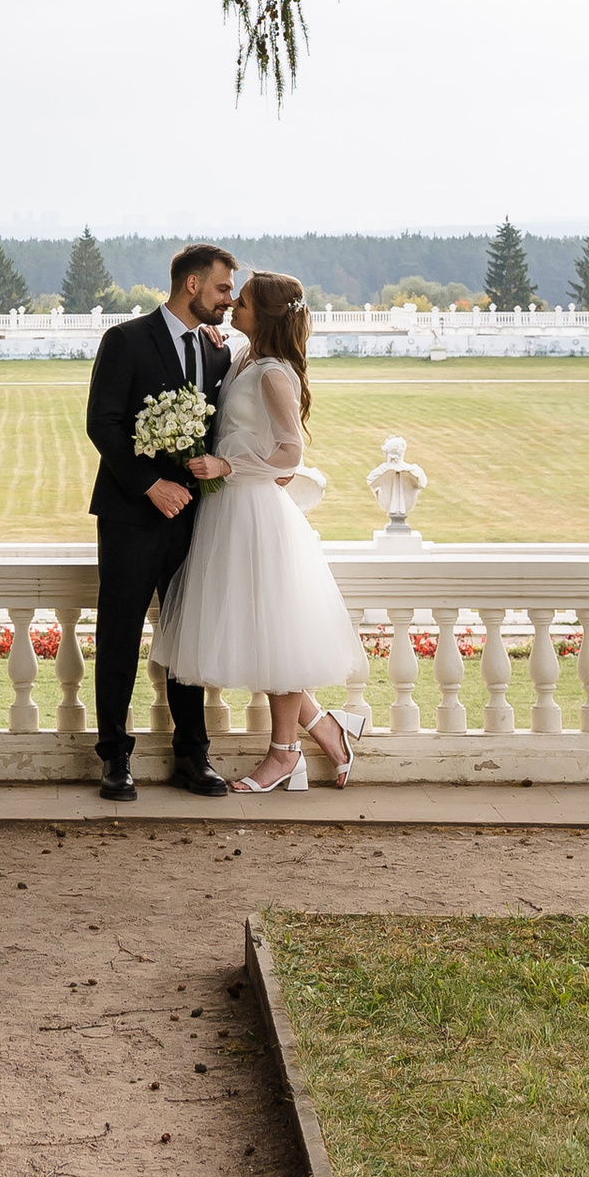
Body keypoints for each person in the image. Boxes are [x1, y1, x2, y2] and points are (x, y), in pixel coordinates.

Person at [150, 270, 359, 791]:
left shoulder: (273, 373)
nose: (231, 306)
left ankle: (283, 753)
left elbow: (291, 454)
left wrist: (227, 467)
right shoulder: (243, 358)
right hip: (226, 514)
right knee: (257, 634)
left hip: (254, 513)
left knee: (273, 632)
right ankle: (325, 728)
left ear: (262, 314)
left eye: (239, 302)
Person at [83, 244, 238, 801]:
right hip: (130, 515)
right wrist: (150, 485)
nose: (230, 299)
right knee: (119, 634)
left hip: (196, 517)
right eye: (222, 289)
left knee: (186, 636)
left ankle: (192, 757)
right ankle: (114, 760)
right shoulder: (124, 340)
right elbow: (102, 422)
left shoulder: (218, 353)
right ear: (192, 285)